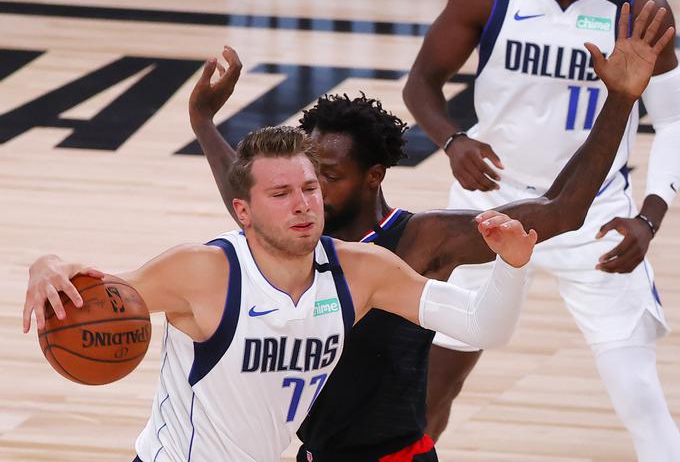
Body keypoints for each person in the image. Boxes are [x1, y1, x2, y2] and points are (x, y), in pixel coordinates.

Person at [187, 3, 672, 462]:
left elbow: (562, 210)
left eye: (329, 177)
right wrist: (204, 121)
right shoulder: (299, 230)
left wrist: (622, 99)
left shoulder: (422, 240)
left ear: (373, 176)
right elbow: (246, 192)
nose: (309, 191)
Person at [24, 126, 541, 460]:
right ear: (243, 211)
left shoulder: (363, 271)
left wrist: (512, 267)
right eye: (280, 194)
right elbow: (101, 300)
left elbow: (481, 326)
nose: (302, 205)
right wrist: (46, 265)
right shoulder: (201, 271)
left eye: (310, 188)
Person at [403, 0, 680, 459]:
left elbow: (674, 119)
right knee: (434, 387)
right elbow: (420, 83)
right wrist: (452, 140)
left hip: (596, 212)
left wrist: (649, 217)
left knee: (638, 394)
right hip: (489, 206)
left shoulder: (642, 6)